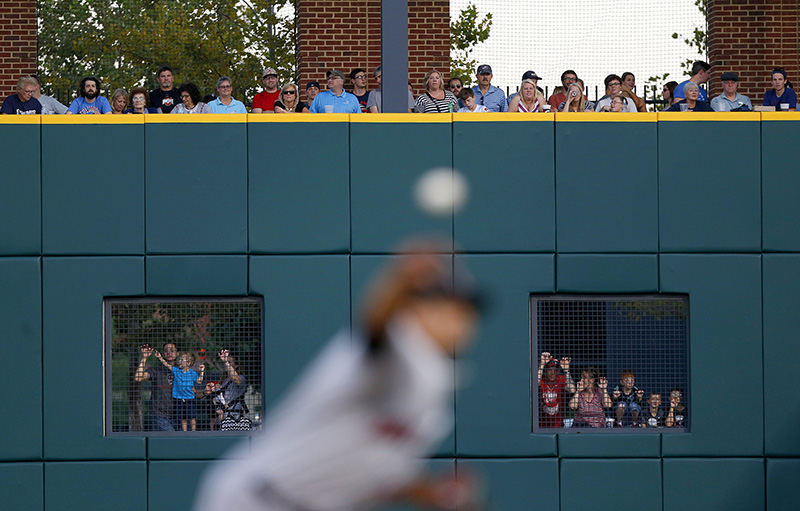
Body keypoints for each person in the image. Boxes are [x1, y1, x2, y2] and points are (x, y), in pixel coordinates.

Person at [193, 242, 484, 511]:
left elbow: (376, 474)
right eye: (444, 306)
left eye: (466, 311)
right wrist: (400, 279)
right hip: (254, 499)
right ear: (412, 308)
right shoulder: (397, 347)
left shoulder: (434, 398)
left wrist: (429, 492)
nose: (458, 320)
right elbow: (374, 328)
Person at [154, 349, 205, 431]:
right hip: (178, 399)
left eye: (182, 360)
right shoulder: (177, 371)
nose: (179, 361)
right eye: (180, 359)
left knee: (192, 417)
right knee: (182, 418)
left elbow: (199, 381)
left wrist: (202, 371)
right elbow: (167, 365)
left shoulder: (192, 373)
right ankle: (184, 432)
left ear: (188, 363)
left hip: (190, 399)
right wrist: (160, 357)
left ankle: (193, 431)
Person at [134, 342, 179, 431]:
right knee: (172, 438)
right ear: (162, 354)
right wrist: (144, 358)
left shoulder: (182, 371)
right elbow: (138, 378)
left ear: (177, 353)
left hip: (179, 415)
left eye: (172, 350)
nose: (169, 353)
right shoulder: (155, 370)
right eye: (166, 351)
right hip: (159, 415)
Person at [536, 352, 576, 428]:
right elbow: (535, 383)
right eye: (550, 370)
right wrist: (542, 364)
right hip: (542, 426)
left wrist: (566, 371)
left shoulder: (561, 379)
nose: (553, 373)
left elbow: (572, 389)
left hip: (558, 425)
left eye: (555, 370)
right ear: (545, 371)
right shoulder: (543, 380)